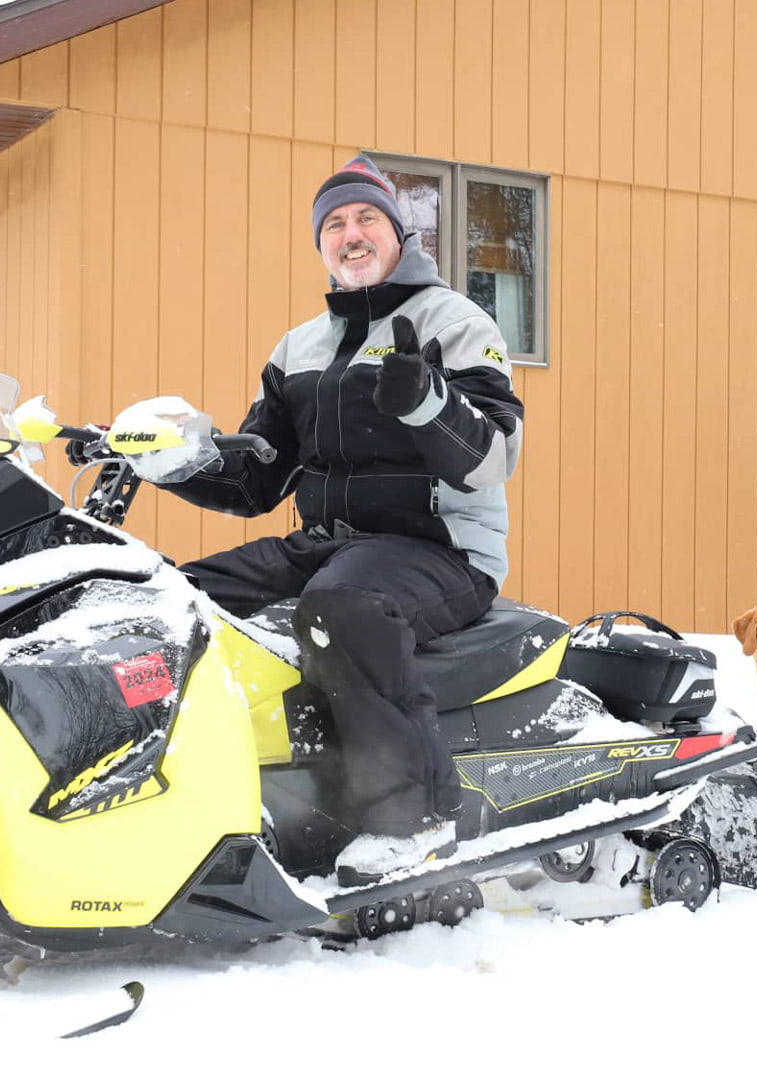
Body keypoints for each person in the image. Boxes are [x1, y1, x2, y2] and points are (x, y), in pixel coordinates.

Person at [120, 155, 523, 884]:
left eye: (367, 217)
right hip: (329, 543)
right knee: (164, 596)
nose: (351, 233)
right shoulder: (298, 347)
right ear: (321, 247)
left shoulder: (453, 321)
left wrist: (428, 402)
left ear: (399, 234)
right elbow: (258, 478)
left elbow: (494, 455)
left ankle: (415, 821)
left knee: (343, 608)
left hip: (439, 546)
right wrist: (177, 463)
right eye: (334, 224)